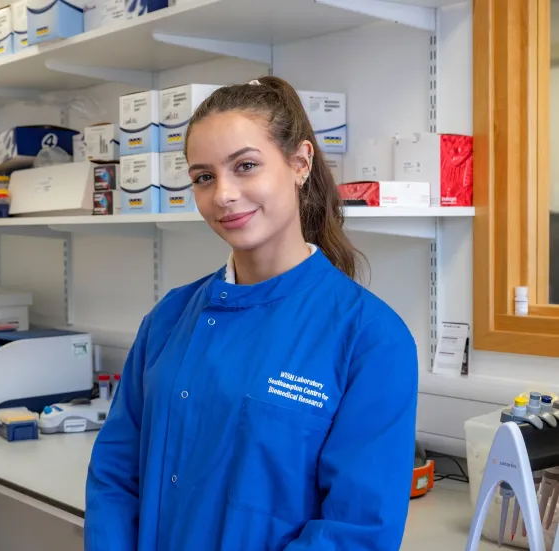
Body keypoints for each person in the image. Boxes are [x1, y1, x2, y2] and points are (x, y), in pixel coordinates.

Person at [84, 76, 418, 551]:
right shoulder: (170, 318)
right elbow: (115, 474)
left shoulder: (370, 337)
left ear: (300, 163)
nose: (223, 194)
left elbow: (357, 530)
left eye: (245, 166)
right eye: (204, 177)